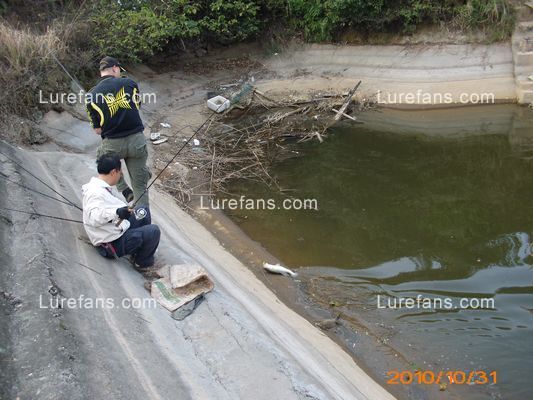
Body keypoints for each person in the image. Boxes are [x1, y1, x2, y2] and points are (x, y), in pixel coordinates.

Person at [86, 56, 151, 206]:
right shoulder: (129, 83)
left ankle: (124, 189)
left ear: (101, 72)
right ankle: (143, 214)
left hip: (113, 145)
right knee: (140, 186)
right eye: (119, 70)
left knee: (101, 156)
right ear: (115, 69)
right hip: (136, 142)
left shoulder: (91, 96)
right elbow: (137, 106)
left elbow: (97, 130)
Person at [82, 153, 160, 270]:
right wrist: (117, 212)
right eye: (120, 172)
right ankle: (142, 263)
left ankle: (139, 249)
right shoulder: (95, 193)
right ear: (114, 172)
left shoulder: (100, 187)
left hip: (114, 229)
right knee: (153, 231)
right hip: (110, 244)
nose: (120, 175)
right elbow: (94, 217)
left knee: (143, 211)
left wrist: (121, 211)